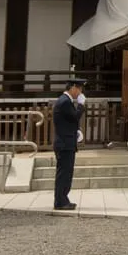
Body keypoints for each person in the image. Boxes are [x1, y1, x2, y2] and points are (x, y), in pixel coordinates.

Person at [53, 77, 86, 210]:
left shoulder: (65, 101)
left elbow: (69, 121)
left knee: (67, 173)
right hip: (64, 143)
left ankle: (63, 199)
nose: (80, 92)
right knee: (64, 174)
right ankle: (60, 201)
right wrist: (81, 106)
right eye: (79, 88)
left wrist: (76, 131)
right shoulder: (65, 102)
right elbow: (75, 116)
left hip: (67, 141)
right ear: (72, 87)